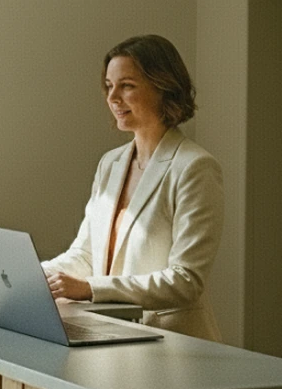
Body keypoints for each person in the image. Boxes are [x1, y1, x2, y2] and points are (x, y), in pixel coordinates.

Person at [42, 35, 224, 342]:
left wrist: (89, 289)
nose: (113, 97)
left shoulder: (195, 167)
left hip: (173, 346)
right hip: (113, 337)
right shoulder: (110, 163)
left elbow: (185, 281)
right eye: (109, 86)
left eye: (126, 85)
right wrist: (32, 275)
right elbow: (85, 255)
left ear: (163, 88)